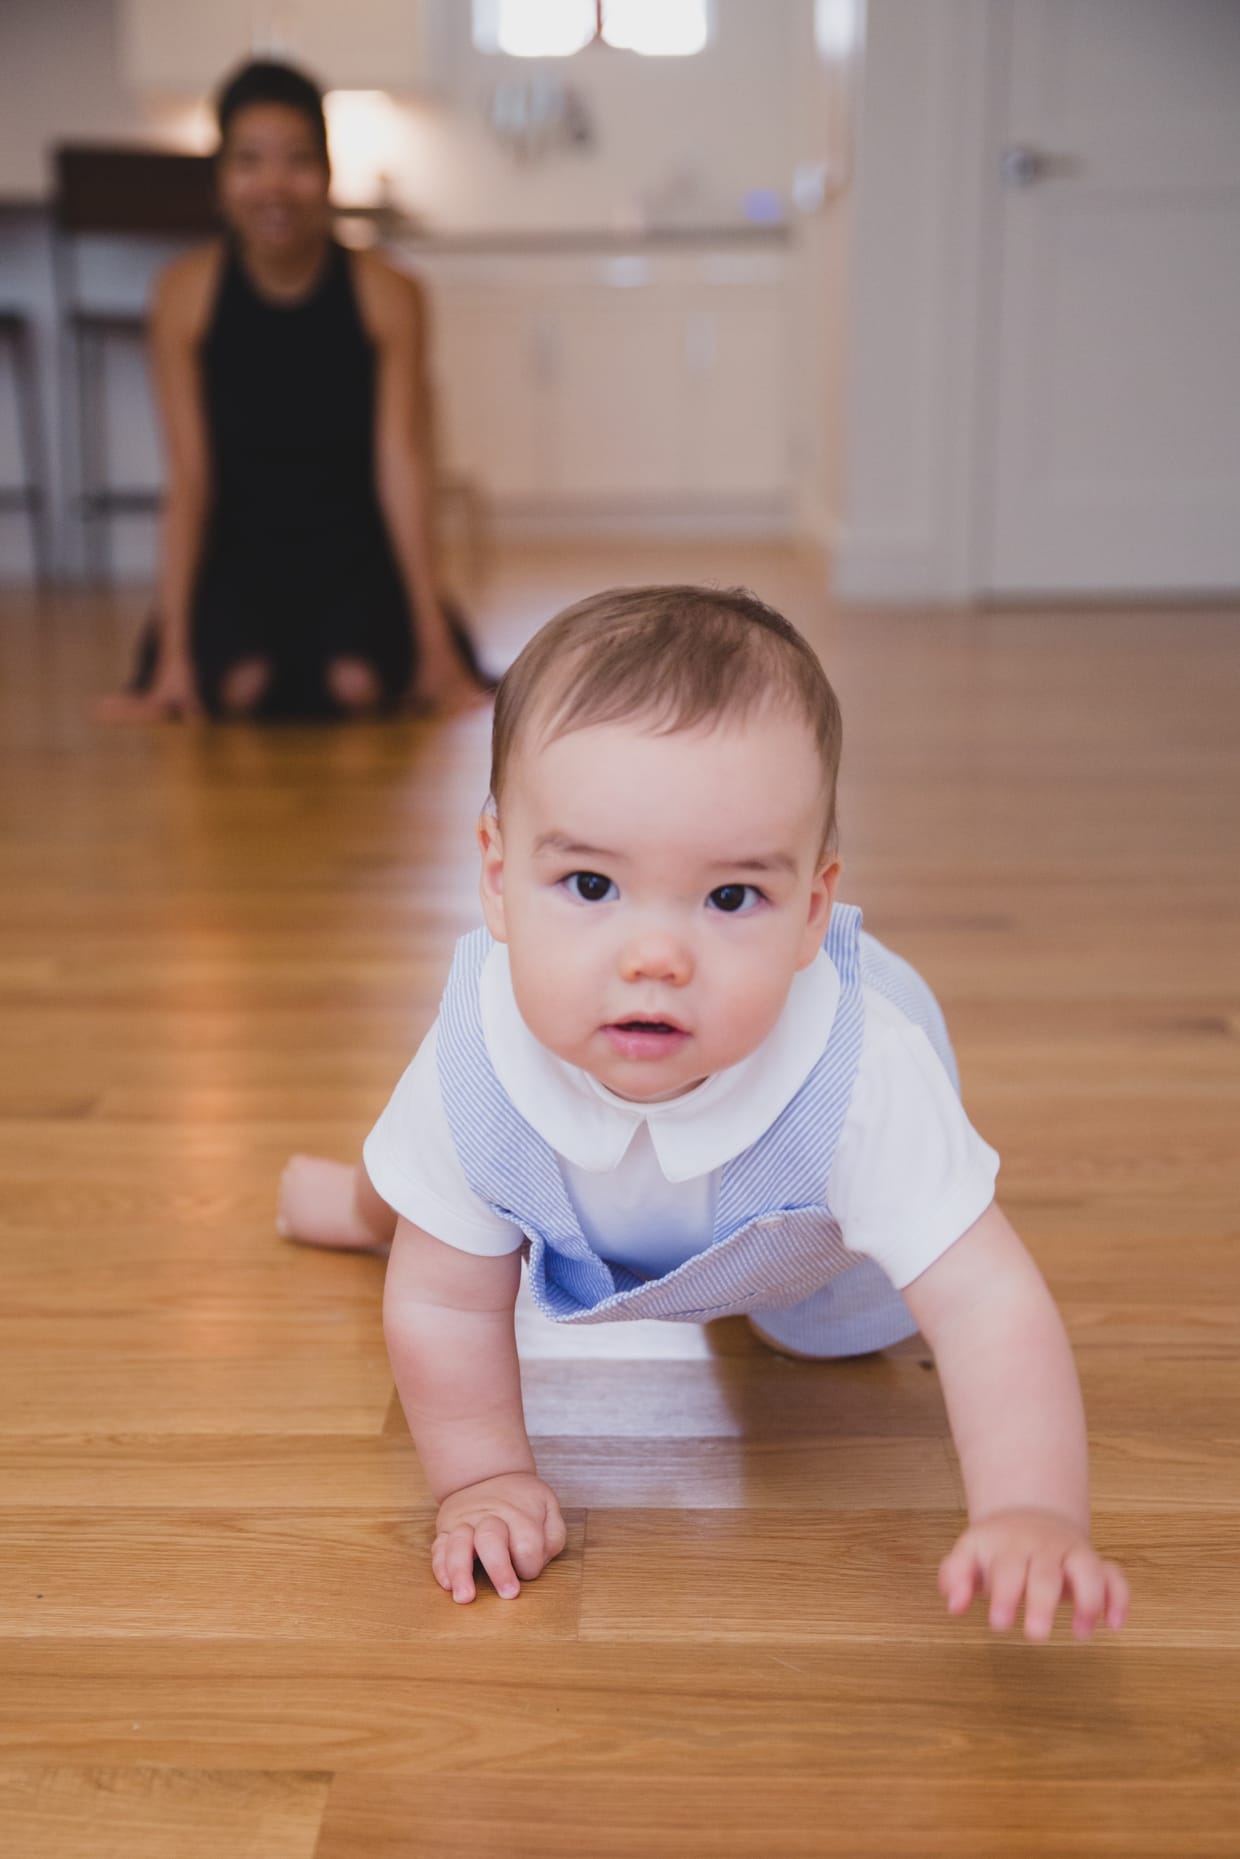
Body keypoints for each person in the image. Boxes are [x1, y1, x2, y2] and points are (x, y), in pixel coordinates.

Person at [277, 584, 1131, 1639]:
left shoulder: (863, 1074)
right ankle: (362, 1201)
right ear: (496, 878)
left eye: (730, 898)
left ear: (813, 908)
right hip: (553, 1182)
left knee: (824, 1345)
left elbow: (987, 1302)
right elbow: (447, 1307)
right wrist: (484, 1476)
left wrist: (1031, 1506)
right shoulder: (483, 1055)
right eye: (590, 884)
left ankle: (763, 1292)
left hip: (806, 1231)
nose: (655, 957)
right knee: (437, 1199)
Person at [101, 59, 488, 722]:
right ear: (221, 179)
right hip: (239, 553)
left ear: (329, 175)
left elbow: (402, 464)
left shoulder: (390, 294)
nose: (275, 186)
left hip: (354, 551)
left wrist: (434, 648)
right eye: (250, 162)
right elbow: (189, 478)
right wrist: (172, 660)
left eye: (299, 161)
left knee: (356, 685)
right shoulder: (183, 295)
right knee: (240, 688)